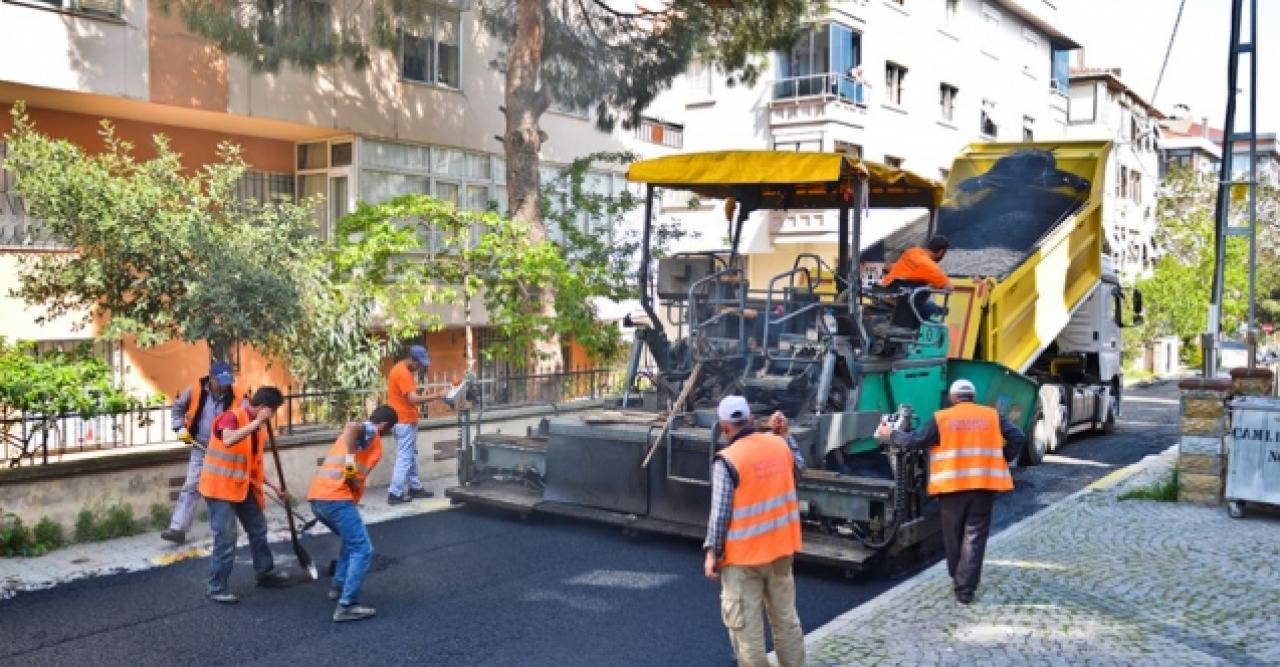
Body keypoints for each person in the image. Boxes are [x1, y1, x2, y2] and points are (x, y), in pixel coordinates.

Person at [875, 379, 1026, 604]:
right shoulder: (991, 415)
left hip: (952, 487)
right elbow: (1019, 437)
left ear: (953, 398)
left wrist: (891, 434)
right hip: (983, 485)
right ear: (973, 397)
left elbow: (916, 441)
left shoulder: (942, 418)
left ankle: (959, 577)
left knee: (953, 535)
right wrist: (1001, 461)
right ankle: (965, 587)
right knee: (975, 536)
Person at [703, 396, 806, 667]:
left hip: (743, 561)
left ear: (724, 428)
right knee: (786, 622)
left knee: (748, 635)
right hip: (781, 552)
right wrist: (785, 435)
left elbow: (721, 512)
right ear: (750, 419)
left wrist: (712, 552)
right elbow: (798, 469)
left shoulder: (727, 460)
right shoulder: (778, 444)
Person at [198, 386, 290, 604]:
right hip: (219, 489)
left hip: (242, 486)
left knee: (258, 528)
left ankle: (265, 572)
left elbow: (253, 466)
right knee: (226, 537)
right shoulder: (231, 418)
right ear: (265, 409)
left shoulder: (258, 430)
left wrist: (274, 487)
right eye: (273, 411)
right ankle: (216, 587)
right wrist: (257, 422)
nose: (273, 417)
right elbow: (228, 439)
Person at [306, 405, 397, 623]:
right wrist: (349, 468)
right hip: (337, 498)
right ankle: (347, 605)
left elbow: (357, 479)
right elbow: (352, 426)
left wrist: (352, 477)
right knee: (363, 549)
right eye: (387, 431)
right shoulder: (370, 433)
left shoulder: (361, 440)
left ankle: (338, 585)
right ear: (383, 426)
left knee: (351, 541)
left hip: (319, 498)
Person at [162, 361, 243, 544]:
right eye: (221, 381)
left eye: (228, 381)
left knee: (226, 489)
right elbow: (177, 410)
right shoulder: (194, 390)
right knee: (191, 485)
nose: (225, 385)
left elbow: (247, 418)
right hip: (200, 446)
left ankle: (230, 529)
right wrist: (179, 429)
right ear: (211, 378)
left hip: (225, 449)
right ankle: (177, 529)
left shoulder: (238, 396)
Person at [385, 344, 450, 505]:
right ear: (412, 360)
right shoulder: (404, 374)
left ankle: (415, 487)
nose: (420, 367)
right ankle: (395, 493)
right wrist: (437, 395)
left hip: (402, 420)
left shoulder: (398, 368)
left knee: (410, 455)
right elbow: (412, 399)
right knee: (405, 457)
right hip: (404, 421)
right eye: (419, 364)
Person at [880, 234, 953, 321]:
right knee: (930, 307)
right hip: (903, 298)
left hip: (887, 290)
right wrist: (933, 286)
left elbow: (895, 268)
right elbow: (949, 288)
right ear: (941, 252)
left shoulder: (912, 251)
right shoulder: (930, 267)